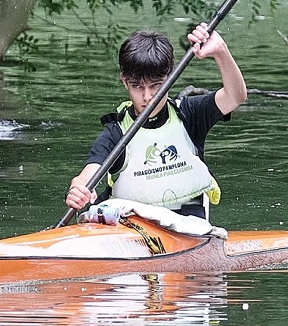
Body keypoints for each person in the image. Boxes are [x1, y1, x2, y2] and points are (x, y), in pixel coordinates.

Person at [64, 23, 246, 221]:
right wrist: (78, 188)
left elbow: (235, 96)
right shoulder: (116, 131)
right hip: (130, 224)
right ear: (124, 81)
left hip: (186, 224)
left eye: (156, 86)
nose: (147, 96)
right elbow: (87, 175)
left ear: (170, 79)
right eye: (137, 86)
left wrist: (221, 51)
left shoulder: (190, 114)